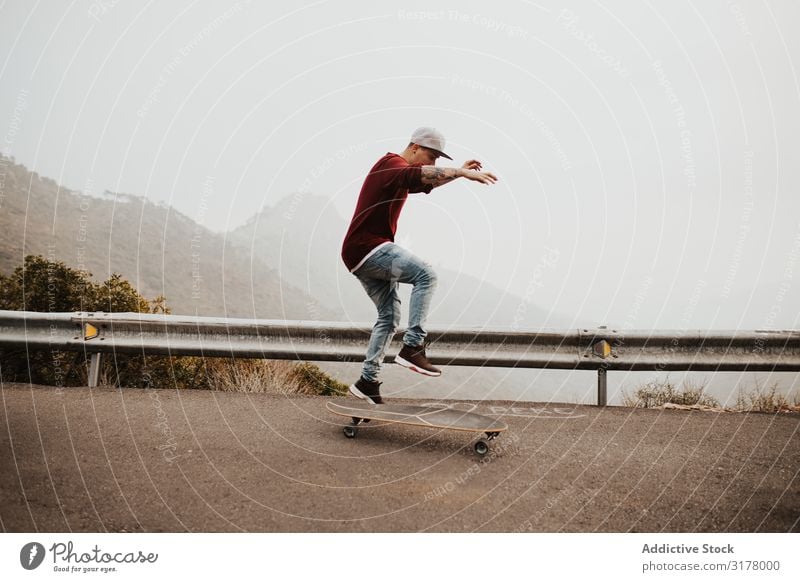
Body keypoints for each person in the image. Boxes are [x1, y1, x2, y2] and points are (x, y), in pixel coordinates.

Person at [341, 127, 498, 404]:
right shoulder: (391, 164)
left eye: (438, 159)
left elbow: (426, 182)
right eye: (431, 155)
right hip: (368, 247)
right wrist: (461, 173)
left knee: (389, 318)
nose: (433, 163)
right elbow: (417, 175)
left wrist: (457, 173)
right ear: (414, 147)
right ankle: (413, 347)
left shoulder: (402, 173)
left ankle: (367, 381)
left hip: (358, 253)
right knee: (426, 275)